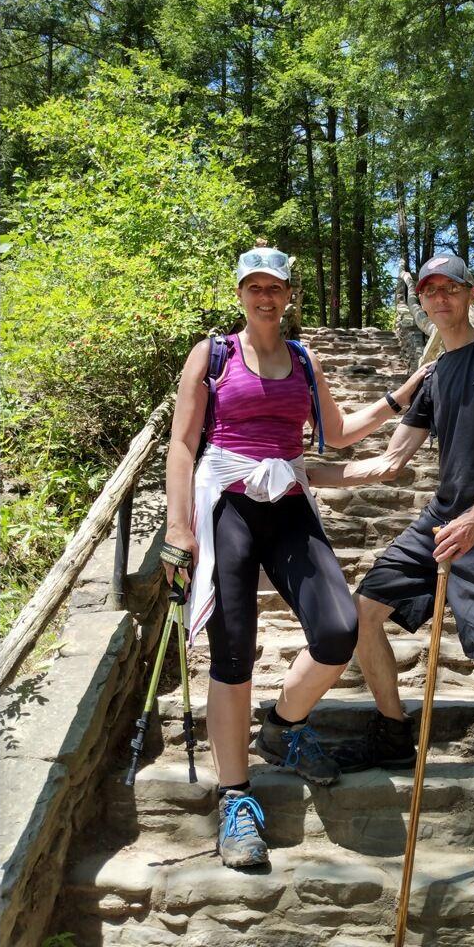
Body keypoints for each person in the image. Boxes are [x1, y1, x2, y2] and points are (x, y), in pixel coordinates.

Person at [161, 242, 428, 869]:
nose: (264, 296)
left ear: (288, 295)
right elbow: (181, 444)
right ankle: (236, 801)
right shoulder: (213, 355)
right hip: (225, 500)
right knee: (231, 652)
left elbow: (334, 436)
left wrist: (403, 394)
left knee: (338, 628)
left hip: (287, 500)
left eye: (274, 287)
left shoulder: (305, 361)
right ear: (240, 295)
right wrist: (179, 527)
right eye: (254, 287)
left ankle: (283, 724)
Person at [308, 253, 474, 886]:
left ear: (469, 293)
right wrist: (298, 473)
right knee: (362, 614)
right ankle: (393, 728)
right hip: (438, 523)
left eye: (450, 287)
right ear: (420, 300)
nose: (439, 297)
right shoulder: (436, 373)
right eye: (428, 289)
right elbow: (387, 465)